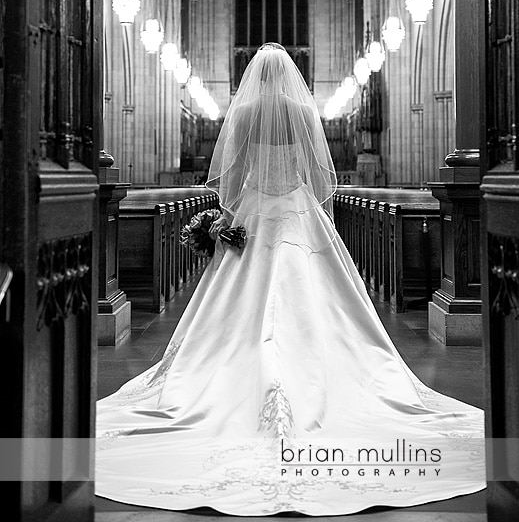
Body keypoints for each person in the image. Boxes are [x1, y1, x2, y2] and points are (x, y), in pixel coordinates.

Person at [96, 43, 485, 515]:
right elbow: (321, 178)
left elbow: (232, 177)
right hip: (298, 211)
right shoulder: (302, 110)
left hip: (257, 210)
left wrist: (229, 217)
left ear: (254, 79)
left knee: (234, 300)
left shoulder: (247, 113)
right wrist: (308, 205)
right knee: (321, 298)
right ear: (291, 77)